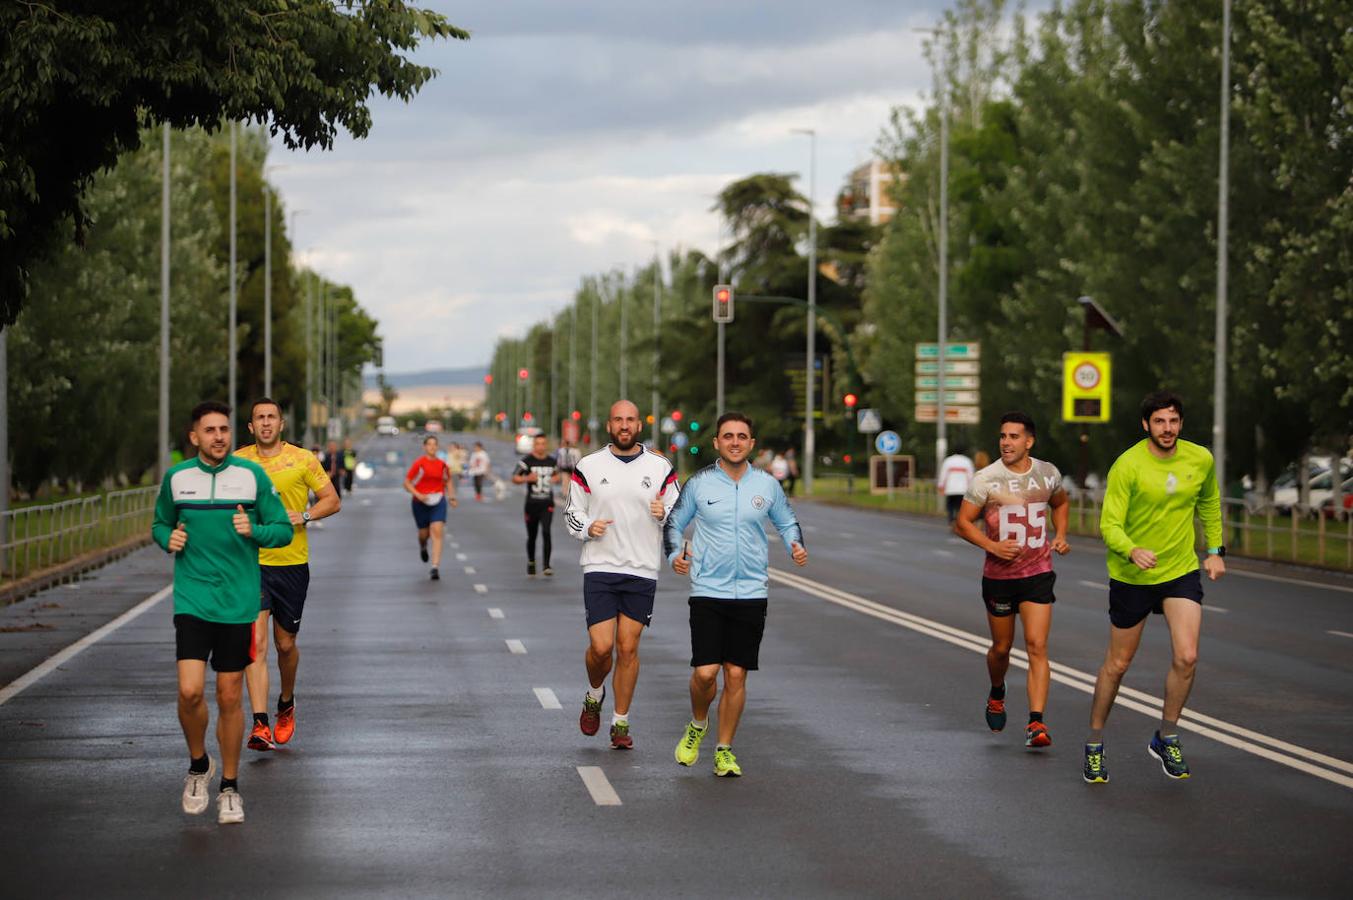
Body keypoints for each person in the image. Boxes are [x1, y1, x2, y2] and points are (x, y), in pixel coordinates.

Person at [151, 401, 293, 825]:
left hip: (238, 602)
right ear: (194, 437)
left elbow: (283, 529)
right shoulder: (177, 478)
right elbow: (160, 523)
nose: (219, 436)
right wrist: (167, 539)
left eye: (225, 429)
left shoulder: (251, 477)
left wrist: (257, 530)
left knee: (230, 695)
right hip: (193, 599)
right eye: (210, 430)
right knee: (191, 691)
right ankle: (199, 766)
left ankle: (230, 787)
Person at [1084, 391, 1225, 784]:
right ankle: (1094, 742)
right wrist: (1131, 550)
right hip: (1133, 575)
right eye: (1160, 422)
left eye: (1174, 421)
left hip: (1179, 570)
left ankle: (1168, 735)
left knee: (1188, 656)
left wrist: (1214, 550)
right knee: (1118, 664)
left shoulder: (1200, 459)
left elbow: (1210, 504)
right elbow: (1108, 524)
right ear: (1146, 424)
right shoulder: (1127, 465)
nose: (1168, 429)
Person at [664, 412, 808, 777]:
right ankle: (698, 723)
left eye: (742, 436)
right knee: (706, 673)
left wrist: (795, 544)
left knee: (737, 674)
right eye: (727, 436)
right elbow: (674, 522)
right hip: (708, 590)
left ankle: (724, 749)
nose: (734, 442)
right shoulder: (700, 484)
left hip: (751, 591)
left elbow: (787, 520)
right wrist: (675, 555)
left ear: (751, 444)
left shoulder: (767, 485)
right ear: (717, 442)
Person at [564, 400, 679, 750]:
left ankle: (620, 723)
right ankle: (594, 693)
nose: (624, 425)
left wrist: (664, 513)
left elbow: (678, 512)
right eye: (618, 420)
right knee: (602, 648)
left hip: (641, 568)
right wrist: (588, 526)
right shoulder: (588, 465)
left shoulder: (660, 467)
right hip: (600, 565)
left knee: (627, 648)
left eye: (630, 419)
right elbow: (572, 512)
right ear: (610, 426)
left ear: (639, 425)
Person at [954, 412, 1070, 749]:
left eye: (1014, 437)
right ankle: (997, 692)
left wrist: (1060, 534)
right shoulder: (986, 479)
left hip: (1038, 574)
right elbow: (962, 523)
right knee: (1002, 648)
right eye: (1003, 436)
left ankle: (1036, 722)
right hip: (999, 578)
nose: (1006, 442)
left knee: (1037, 646)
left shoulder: (1048, 474)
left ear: (1029, 441)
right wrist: (992, 546)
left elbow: (1061, 504)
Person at [234, 398, 341, 753]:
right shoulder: (239, 462)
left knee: (285, 645)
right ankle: (260, 723)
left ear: (281, 424)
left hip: (292, 563)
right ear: (251, 427)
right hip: (252, 563)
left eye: (271, 418)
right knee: (257, 645)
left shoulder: (302, 459)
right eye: (259, 418)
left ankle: (286, 701)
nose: (265, 423)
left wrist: (306, 516)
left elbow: (332, 499)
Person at [404, 434, 458, 580]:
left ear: (437, 447)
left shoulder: (442, 465)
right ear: (424, 447)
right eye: (429, 444)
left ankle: (435, 567)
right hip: (420, 502)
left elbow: (448, 482)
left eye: (435, 444)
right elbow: (407, 482)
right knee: (424, 533)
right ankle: (423, 546)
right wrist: (418, 494)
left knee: (437, 530)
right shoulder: (419, 463)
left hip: (438, 500)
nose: (432, 447)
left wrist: (451, 497)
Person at [512, 434, 561, 577]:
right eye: (538, 444)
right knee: (532, 535)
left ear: (546, 445)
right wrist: (527, 478)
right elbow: (514, 478)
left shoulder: (552, 461)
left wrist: (556, 478)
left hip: (547, 503)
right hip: (532, 504)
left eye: (543, 443)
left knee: (546, 532)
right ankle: (531, 561)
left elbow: (558, 475)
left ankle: (546, 565)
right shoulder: (527, 461)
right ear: (534, 445)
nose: (541, 446)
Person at [938, 448, 976, 523]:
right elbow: (971, 475)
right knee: (960, 506)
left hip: (950, 488)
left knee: (950, 505)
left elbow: (943, 474)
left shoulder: (948, 461)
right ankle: (959, 520)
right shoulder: (967, 461)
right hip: (963, 489)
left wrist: (941, 486)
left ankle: (951, 520)